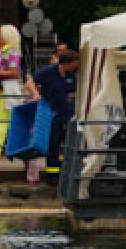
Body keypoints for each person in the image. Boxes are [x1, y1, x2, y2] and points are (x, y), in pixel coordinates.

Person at [23, 45, 78, 184]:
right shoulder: (49, 71)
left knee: (65, 141)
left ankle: (63, 170)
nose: (76, 66)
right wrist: (35, 94)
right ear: (66, 63)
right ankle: (52, 174)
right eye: (74, 63)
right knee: (53, 142)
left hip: (65, 111)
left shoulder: (71, 75)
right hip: (50, 111)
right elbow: (30, 81)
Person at [0, 24, 23, 156]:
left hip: (8, 89)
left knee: (4, 120)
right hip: (4, 89)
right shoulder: (7, 51)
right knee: (4, 120)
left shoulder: (11, 51)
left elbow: (14, 72)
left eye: (1, 33)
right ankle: (6, 149)